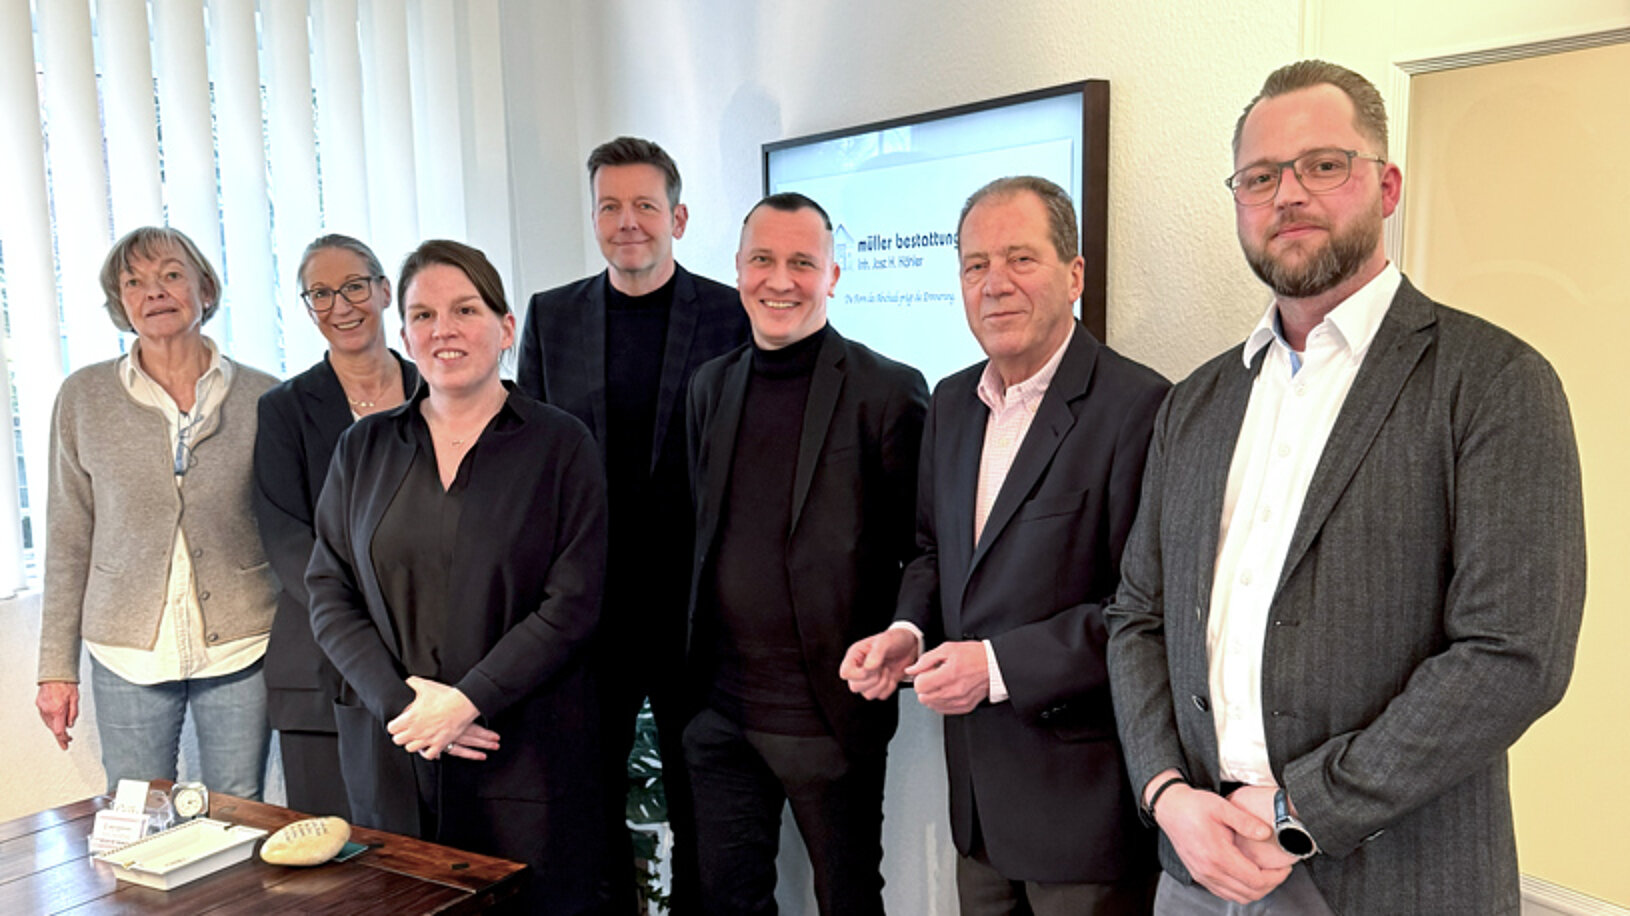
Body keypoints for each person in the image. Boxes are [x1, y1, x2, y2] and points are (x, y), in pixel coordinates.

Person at [1103, 60, 1586, 916]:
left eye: (1323, 165)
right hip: (1197, 866)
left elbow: (1513, 656)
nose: (1288, 193)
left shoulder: (1493, 382)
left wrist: (1303, 811)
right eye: (1260, 177)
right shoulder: (1196, 404)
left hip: (1392, 880)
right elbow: (1139, 614)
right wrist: (1165, 792)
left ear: (1386, 186)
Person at [842, 176, 1167, 915]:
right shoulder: (951, 401)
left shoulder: (1140, 407)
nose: (995, 284)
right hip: (978, 811)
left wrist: (993, 667)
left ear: (1074, 275)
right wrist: (907, 630)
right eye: (975, 265)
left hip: (1083, 817)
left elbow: (1143, 613)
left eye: (1020, 258)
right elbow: (934, 551)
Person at [305, 240, 608, 913]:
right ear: (405, 332)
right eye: (424, 314)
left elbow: (574, 602)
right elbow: (328, 591)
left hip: (518, 748)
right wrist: (405, 707)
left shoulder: (562, 445)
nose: (444, 329)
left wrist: (468, 701)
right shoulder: (363, 448)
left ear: (506, 328)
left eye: (465, 310)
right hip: (395, 747)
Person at [516, 135, 747, 913]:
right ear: (593, 218)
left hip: (696, 607)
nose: (627, 222)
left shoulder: (730, 313)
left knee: (698, 790)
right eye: (610, 206)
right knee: (587, 792)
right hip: (588, 605)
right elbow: (534, 463)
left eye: (645, 205)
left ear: (677, 217)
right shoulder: (552, 316)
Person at [684, 192, 927, 915]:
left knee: (847, 900)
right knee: (729, 900)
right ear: (737, 269)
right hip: (721, 712)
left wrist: (904, 634)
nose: (780, 280)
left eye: (802, 262)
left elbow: (924, 548)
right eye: (763, 259)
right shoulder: (711, 385)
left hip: (829, 716)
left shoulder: (887, 390)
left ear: (833, 275)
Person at [35, 226, 279, 799]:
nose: (154, 292)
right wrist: (56, 668)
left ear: (205, 290)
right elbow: (68, 536)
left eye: (171, 275)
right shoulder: (84, 397)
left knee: (239, 808)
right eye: (134, 282)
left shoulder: (265, 397)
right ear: (120, 302)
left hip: (243, 642)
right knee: (136, 811)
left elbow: (292, 527)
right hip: (126, 649)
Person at [253, 234, 420, 817]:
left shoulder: (436, 391)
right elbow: (286, 539)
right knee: (330, 851)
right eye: (320, 294)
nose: (340, 306)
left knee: (430, 854)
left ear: (385, 291)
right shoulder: (283, 409)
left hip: (435, 660)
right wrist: (364, 615)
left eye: (353, 287)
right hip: (322, 663)